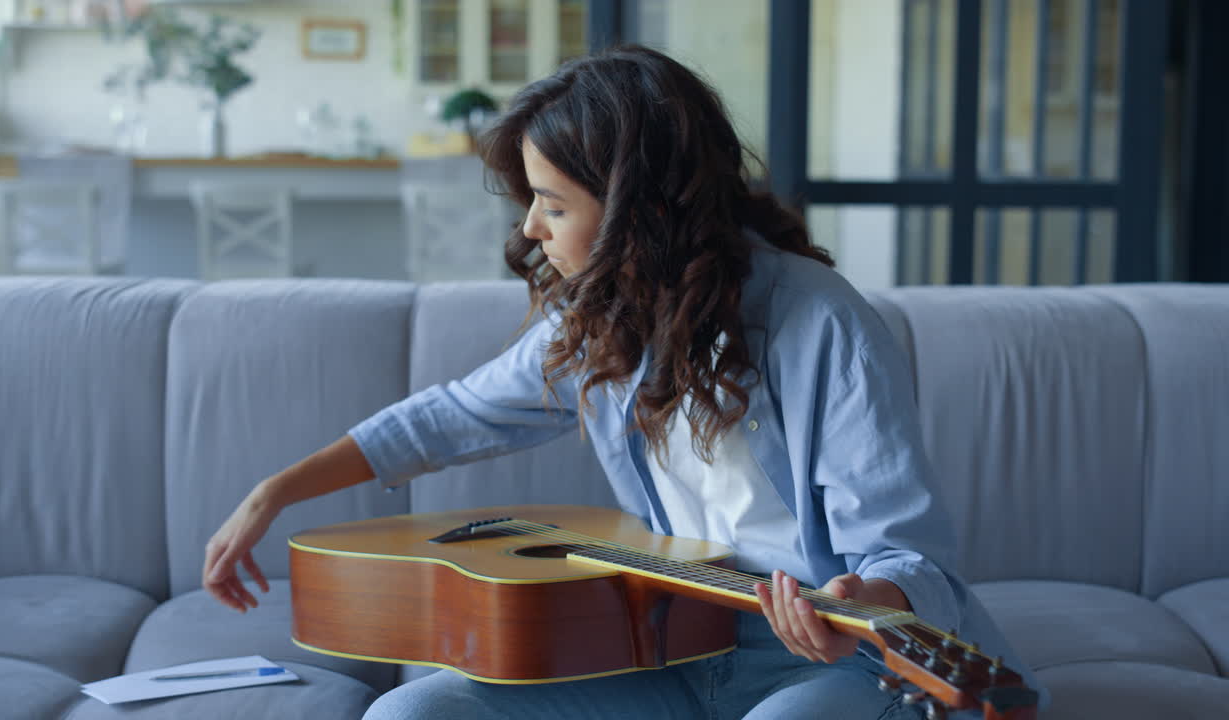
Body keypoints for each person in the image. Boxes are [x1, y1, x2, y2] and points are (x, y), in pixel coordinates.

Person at [203, 45, 1043, 720]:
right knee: (409, 712)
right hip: (677, 652)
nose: (530, 228)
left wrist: (863, 598)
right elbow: (449, 417)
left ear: (640, 211)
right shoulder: (603, 322)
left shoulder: (822, 324)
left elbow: (913, 558)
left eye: (553, 204)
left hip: (845, 665)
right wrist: (275, 493)